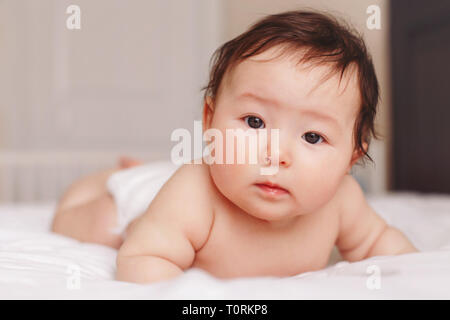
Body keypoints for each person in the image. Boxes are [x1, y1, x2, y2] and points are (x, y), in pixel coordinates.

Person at [51, 10, 417, 283]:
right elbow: (142, 259)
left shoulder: (342, 200)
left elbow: (381, 245)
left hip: (192, 183)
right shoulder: (194, 193)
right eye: (255, 122)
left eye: (312, 137)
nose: (276, 155)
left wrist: (420, 272)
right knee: (95, 225)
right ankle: (123, 176)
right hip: (146, 203)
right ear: (209, 121)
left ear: (351, 158)